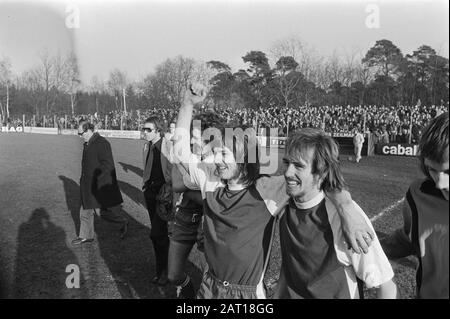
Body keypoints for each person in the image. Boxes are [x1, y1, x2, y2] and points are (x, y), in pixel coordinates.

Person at [173, 84, 375, 299]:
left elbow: (318, 179)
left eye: (224, 153)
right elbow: (180, 153)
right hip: (209, 285)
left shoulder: (268, 189)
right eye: (215, 152)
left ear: (243, 154)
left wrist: (346, 208)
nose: (216, 160)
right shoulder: (209, 178)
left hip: (246, 294)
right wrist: (187, 104)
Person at [274, 128, 397, 299]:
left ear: (322, 172)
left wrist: (345, 206)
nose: (287, 173)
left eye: (299, 166)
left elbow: (385, 286)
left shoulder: (346, 219)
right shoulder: (280, 197)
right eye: (286, 162)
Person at [381, 112, 449, 299]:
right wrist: (371, 250)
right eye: (432, 170)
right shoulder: (418, 194)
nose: (440, 183)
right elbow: (410, 239)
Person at [168, 112, 225, 298]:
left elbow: (215, 200)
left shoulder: (220, 162)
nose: (191, 141)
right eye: (190, 136)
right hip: (185, 215)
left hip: (207, 223)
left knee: (209, 279)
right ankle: (185, 287)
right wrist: (201, 192)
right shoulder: (189, 157)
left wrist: (194, 190)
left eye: (195, 137)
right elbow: (176, 184)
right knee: (173, 274)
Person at [72, 120, 128, 245]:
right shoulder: (88, 143)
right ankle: (85, 236)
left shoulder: (102, 143)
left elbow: (108, 165)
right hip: (87, 185)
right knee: (85, 210)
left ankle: (122, 222)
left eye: (81, 133)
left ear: (89, 130)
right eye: (79, 134)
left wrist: (98, 181)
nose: (80, 137)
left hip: (97, 185)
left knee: (100, 212)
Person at [141, 116, 173, 285]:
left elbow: (176, 170)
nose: (144, 132)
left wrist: (170, 191)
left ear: (158, 130)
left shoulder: (168, 146)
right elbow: (147, 169)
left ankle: (166, 271)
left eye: (148, 130)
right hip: (150, 194)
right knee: (158, 234)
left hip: (164, 196)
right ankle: (161, 269)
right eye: (144, 129)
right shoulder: (146, 146)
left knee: (157, 234)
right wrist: (145, 186)